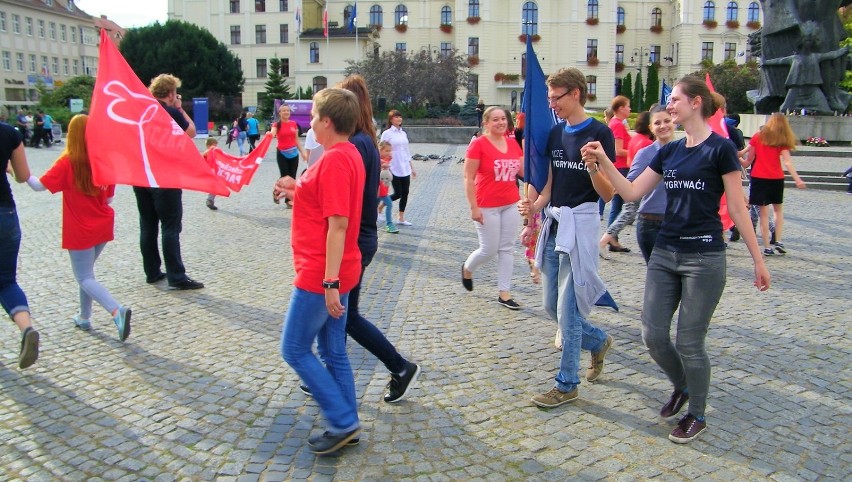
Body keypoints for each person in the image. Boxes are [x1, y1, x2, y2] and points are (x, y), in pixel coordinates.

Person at [583, 75, 771, 444]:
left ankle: (697, 413)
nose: (669, 105)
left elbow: (737, 205)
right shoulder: (669, 151)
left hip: (704, 256)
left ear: (696, 102)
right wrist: (602, 161)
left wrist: (758, 258)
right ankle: (682, 384)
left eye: (675, 99)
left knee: (689, 341)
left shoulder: (721, 150)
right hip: (666, 252)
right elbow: (632, 192)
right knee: (652, 334)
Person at [517, 67, 617, 409]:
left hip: (583, 225)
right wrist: (532, 207)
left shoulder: (600, 133)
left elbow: (607, 193)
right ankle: (599, 340)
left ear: (576, 93)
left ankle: (567, 383)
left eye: (556, 98)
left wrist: (592, 166)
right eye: (548, 98)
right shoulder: (557, 134)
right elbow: (549, 184)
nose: (552, 104)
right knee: (551, 307)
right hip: (556, 224)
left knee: (569, 310)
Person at [276, 87, 366, 455]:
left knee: (294, 349)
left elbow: (339, 224)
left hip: (322, 272)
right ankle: (349, 423)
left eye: (313, 116)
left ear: (327, 122)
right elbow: (327, 204)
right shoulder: (345, 154)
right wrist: (297, 189)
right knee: (332, 350)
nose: (309, 122)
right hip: (337, 268)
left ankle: (343, 421)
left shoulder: (334, 160)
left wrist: (329, 283)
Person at [26, 115, 131, 341]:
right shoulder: (104, 161)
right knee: (87, 274)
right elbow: (110, 199)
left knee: (84, 276)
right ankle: (84, 317)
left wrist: (19, 172)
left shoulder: (67, 162)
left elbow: (37, 186)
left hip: (80, 227)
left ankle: (116, 310)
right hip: (102, 223)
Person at [133, 74, 204, 290]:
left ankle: (152, 271)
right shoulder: (170, 112)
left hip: (141, 175)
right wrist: (180, 108)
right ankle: (177, 276)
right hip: (165, 176)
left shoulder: (141, 111)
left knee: (147, 225)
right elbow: (191, 131)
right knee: (171, 226)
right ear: (171, 93)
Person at [462, 106, 524, 310]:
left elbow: (524, 172)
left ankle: (504, 293)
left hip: (510, 203)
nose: (500, 122)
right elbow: (468, 178)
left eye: (503, 119)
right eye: (495, 119)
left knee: (507, 248)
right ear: (486, 123)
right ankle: (467, 268)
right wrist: (473, 207)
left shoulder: (513, 143)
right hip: (486, 205)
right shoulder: (478, 145)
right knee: (488, 250)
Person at [1, 122, 39, 369]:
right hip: (5, 215)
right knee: (6, 280)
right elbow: (23, 176)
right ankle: (26, 328)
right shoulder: (8, 132)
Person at [741, 113, 806, 256]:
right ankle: (778, 240)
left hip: (759, 178)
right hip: (776, 178)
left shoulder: (758, 136)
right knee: (778, 211)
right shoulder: (781, 140)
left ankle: (766, 247)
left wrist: (736, 157)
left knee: (764, 214)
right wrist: (798, 179)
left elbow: (748, 161)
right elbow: (788, 162)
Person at [599, 110, 654, 256]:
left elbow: (630, 160)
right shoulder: (647, 143)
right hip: (636, 183)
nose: (629, 110)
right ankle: (605, 240)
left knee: (622, 211)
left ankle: (609, 240)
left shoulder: (636, 139)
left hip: (629, 178)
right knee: (627, 213)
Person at [631, 105, 674, 263]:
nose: (663, 126)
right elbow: (630, 185)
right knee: (659, 277)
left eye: (667, 121)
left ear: (674, 122)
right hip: (651, 222)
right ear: (650, 127)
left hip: (678, 223)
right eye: (657, 123)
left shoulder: (685, 150)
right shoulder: (645, 154)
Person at [600, 95, 632, 245]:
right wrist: (635, 151)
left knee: (618, 205)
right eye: (628, 106)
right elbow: (618, 150)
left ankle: (612, 237)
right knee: (619, 205)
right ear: (620, 108)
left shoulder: (614, 123)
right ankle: (611, 237)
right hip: (621, 167)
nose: (630, 109)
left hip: (618, 167)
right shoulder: (617, 124)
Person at [380, 110, 416, 226]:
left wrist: (412, 167)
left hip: (404, 165)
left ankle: (401, 217)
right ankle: (381, 205)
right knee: (398, 193)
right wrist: (382, 162)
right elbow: (380, 149)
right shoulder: (387, 133)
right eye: (396, 117)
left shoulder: (403, 133)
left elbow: (407, 150)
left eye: (400, 117)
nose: (399, 119)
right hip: (393, 166)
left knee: (405, 192)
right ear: (391, 119)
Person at [270, 104, 306, 208]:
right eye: (284, 111)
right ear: (280, 113)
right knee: (285, 176)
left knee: (292, 177)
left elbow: (296, 140)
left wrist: (302, 152)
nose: (286, 112)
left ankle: (288, 200)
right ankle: (276, 191)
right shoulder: (276, 125)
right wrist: (270, 134)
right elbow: (272, 134)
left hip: (294, 153)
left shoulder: (294, 124)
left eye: (288, 111)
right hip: (282, 153)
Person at [377, 140, 399, 234]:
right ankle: (388, 224)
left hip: (384, 191)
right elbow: (379, 161)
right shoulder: (377, 160)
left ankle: (389, 224)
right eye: (386, 151)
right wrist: (382, 163)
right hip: (377, 191)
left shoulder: (387, 159)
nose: (389, 153)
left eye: (390, 150)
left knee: (389, 204)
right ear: (380, 150)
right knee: (374, 207)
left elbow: (388, 160)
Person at [203, 137, 220, 211]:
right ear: (208, 146)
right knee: (214, 187)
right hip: (208, 174)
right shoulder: (207, 152)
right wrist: (212, 149)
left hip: (213, 173)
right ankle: (209, 200)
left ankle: (210, 200)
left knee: (215, 187)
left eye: (216, 145)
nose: (216, 147)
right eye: (214, 145)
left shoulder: (212, 152)